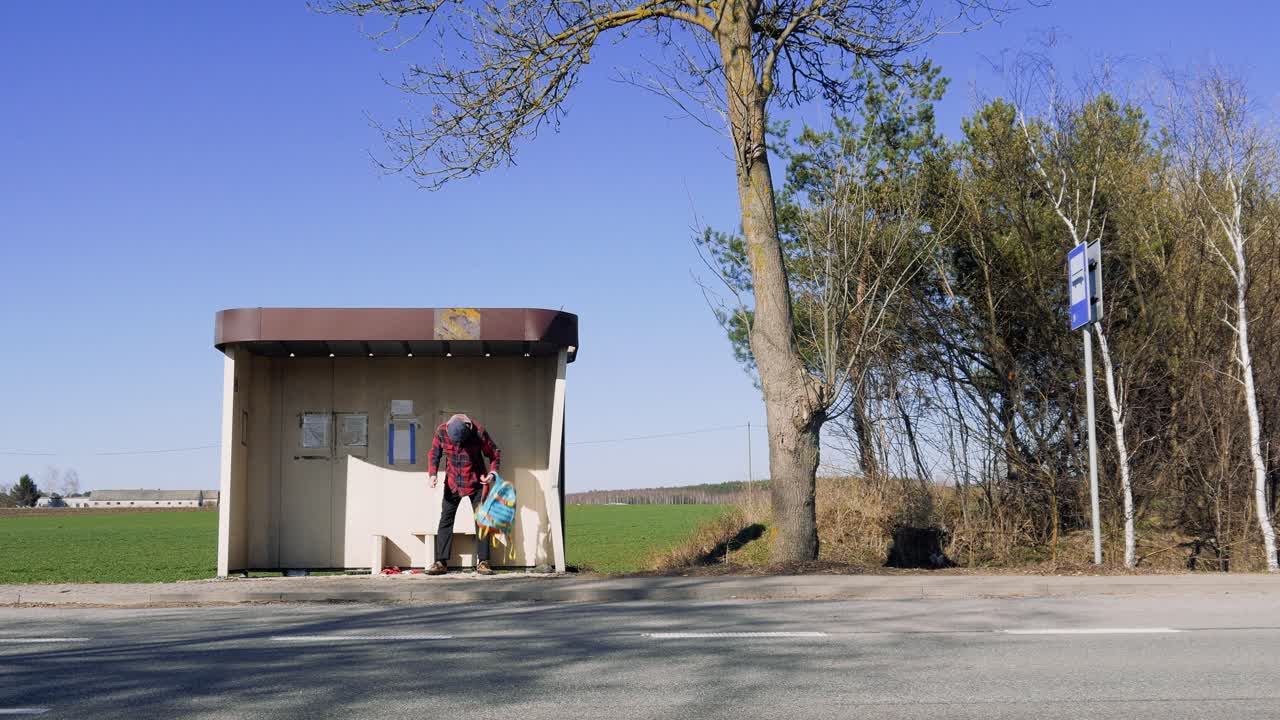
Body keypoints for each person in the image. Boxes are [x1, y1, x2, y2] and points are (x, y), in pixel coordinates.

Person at [426, 413, 501, 575]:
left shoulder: (479, 432)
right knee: (445, 519)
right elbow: (434, 453)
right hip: (453, 483)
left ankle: (483, 562)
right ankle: (441, 562)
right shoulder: (441, 432)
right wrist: (432, 474)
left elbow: (494, 453)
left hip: (476, 482)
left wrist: (492, 474)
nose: (459, 446)